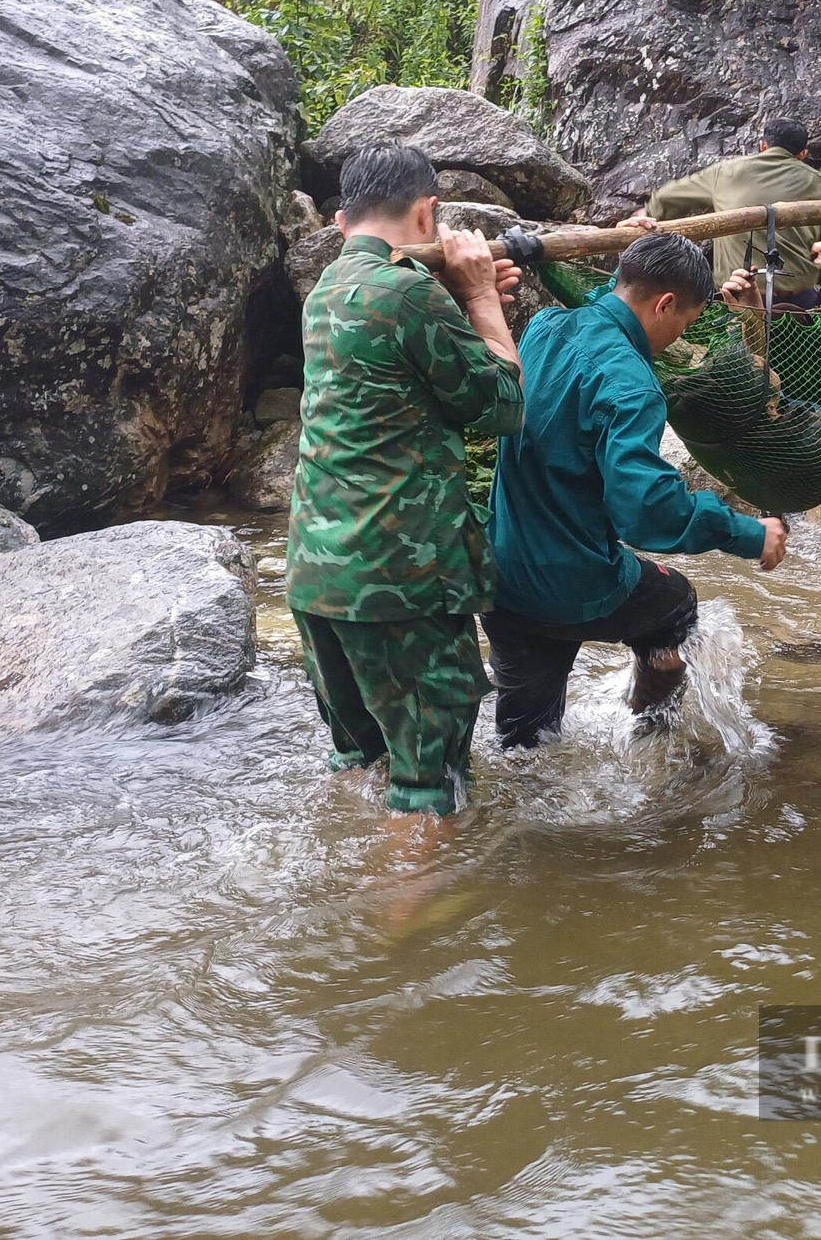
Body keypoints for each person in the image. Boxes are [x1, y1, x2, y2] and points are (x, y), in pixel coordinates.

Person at [286, 143, 524, 815]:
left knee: (361, 762)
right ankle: (403, 923)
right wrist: (479, 297)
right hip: (400, 586)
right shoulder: (411, 292)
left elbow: (396, 358)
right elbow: (505, 406)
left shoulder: (329, 289)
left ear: (341, 224)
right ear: (430, 213)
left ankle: (342, 908)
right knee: (427, 785)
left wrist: (453, 300)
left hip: (318, 577)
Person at [482, 232, 789, 749]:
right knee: (675, 603)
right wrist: (746, 532)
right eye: (684, 323)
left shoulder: (544, 328)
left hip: (502, 576)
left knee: (525, 745)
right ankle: (652, 739)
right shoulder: (632, 385)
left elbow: (611, 296)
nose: (677, 336)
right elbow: (646, 511)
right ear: (665, 304)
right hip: (574, 584)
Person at [642, 117, 821, 309]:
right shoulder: (816, 181)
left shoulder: (726, 172)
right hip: (795, 298)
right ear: (802, 154)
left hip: (738, 295)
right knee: (798, 357)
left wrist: (644, 215)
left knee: (739, 359)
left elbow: (665, 198)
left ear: (763, 145)